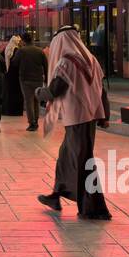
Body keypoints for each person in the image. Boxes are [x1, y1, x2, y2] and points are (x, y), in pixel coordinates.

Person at [36, 27, 112, 219]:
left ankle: (94, 208)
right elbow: (102, 90)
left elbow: (55, 90)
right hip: (89, 117)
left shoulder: (66, 62)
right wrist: (105, 115)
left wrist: (38, 93)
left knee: (82, 161)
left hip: (77, 117)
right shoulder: (91, 60)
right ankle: (56, 194)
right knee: (65, 157)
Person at [14, 32, 49, 131]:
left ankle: (32, 123)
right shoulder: (40, 51)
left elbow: (15, 63)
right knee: (36, 100)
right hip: (38, 79)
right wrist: (46, 78)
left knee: (28, 101)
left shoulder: (21, 51)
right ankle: (36, 121)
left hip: (25, 79)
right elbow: (46, 65)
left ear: (23, 41)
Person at [2, 35, 24, 117]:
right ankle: (15, 111)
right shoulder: (16, 50)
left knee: (8, 92)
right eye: (18, 41)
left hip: (8, 73)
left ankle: (6, 110)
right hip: (15, 74)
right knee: (16, 93)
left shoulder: (7, 48)